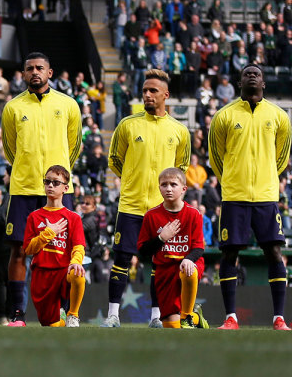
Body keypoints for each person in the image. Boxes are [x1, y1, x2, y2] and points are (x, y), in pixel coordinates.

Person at [102, 69, 190, 328]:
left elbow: (181, 168)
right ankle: (113, 315)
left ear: (166, 95)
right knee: (121, 258)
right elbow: (115, 159)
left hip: (162, 209)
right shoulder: (127, 125)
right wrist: (132, 180)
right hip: (131, 205)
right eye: (144, 91)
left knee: (160, 263)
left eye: (153, 91)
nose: (148, 95)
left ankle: (156, 317)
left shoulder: (179, 130)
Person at [0, 52, 82, 326]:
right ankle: (17, 314)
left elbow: (74, 146)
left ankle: (66, 312)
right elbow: (10, 149)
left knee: (65, 250)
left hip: (59, 190)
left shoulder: (68, 104)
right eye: (29, 68)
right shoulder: (12, 107)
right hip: (23, 188)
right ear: (23, 74)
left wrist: (58, 178)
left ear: (50, 72)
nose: (34, 72)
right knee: (19, 251)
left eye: (39, 68)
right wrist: (27, 168)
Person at [208, 64, 292, 330]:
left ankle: (279, 318)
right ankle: (230, 318)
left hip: (266, 196)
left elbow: (281, 158)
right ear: (239, 82)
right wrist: (232, 180)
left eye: (257, 74)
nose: (252, 76)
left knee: (274, 252)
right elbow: (215, 157)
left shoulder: (279, 116)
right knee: (229, 253)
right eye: (247, 73)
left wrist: (267, 177)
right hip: (235, 196)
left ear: (264, 83)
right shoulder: (224, 116)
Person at [136, 168, 207, 329]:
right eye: (164, 185)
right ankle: (196, 317)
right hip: (164, 270)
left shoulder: (193, 214)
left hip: (188, 264)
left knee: (188, 269)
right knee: (171, 326)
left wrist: (188, 259)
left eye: (173, 184)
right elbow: (143, 250)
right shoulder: (151, 216)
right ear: (159, 188)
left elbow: (198, 248)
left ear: (183, 189)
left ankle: (187, 316)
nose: (168, 188)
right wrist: (161, 238)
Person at [22, 165, 86, 327]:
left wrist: (76, 261)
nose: (50, 185)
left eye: (56, 182)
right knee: (49, 324)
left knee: (78, 273)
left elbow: (79, 246)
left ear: (66, 188)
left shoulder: (73, 218)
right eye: (47, 182)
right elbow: (28, 249)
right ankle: (61, 319)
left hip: (64, 271)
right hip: (41, 274)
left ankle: (73, 315)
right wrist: (49, 232)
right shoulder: (34, 216)